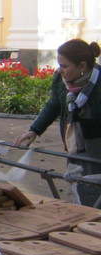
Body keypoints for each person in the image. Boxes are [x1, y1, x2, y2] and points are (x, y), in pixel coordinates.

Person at [14, 39, 101, 207]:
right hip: (75, 147)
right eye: (59, 65)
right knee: (81, 190)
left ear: (82, 66)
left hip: (97, 150)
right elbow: (54, 104)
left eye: (65, 66)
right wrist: (34, 130)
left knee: (94, 194)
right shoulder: (61, 81)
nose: (60, 70)